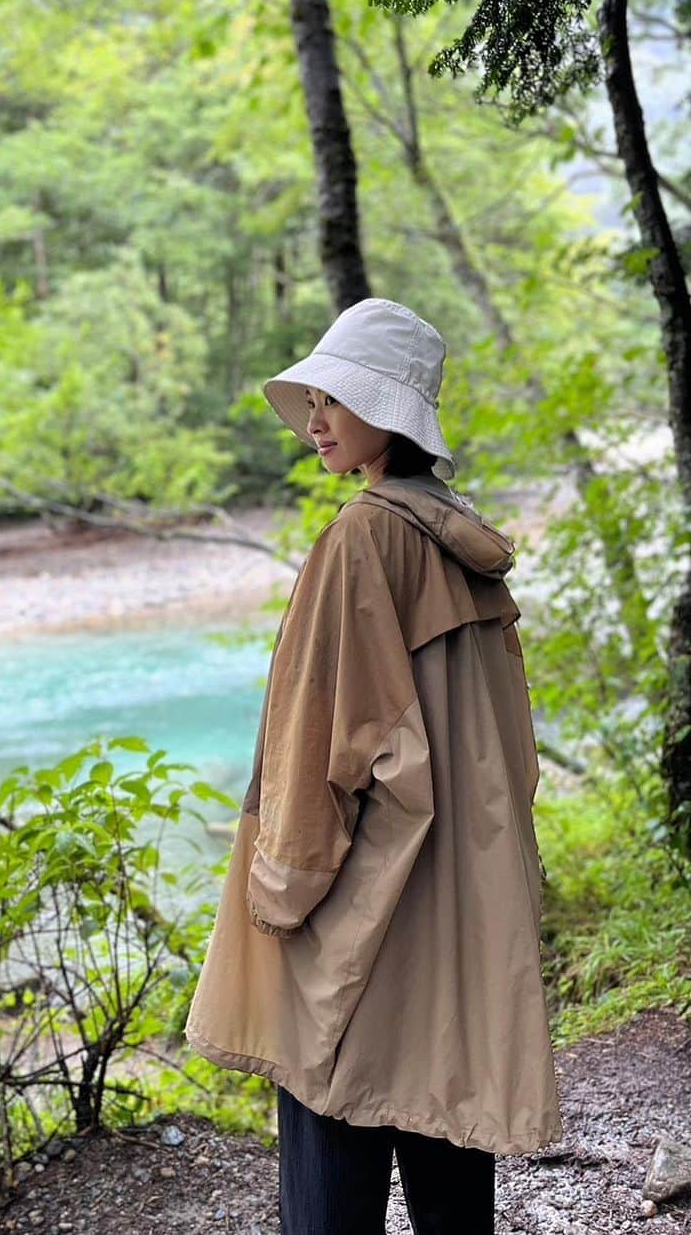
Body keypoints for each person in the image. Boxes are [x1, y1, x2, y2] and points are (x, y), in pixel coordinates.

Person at [184, 298, 563, 1234]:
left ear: (387, 413)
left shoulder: (364, 538)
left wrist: (280, 890)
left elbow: (321, 743)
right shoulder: (463, 545)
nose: (315, 420)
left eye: (336, 400)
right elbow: (507, 750)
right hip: (461, 906)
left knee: (329, 1135)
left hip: (368, 905)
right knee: (446, 1133)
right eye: (313, 398)